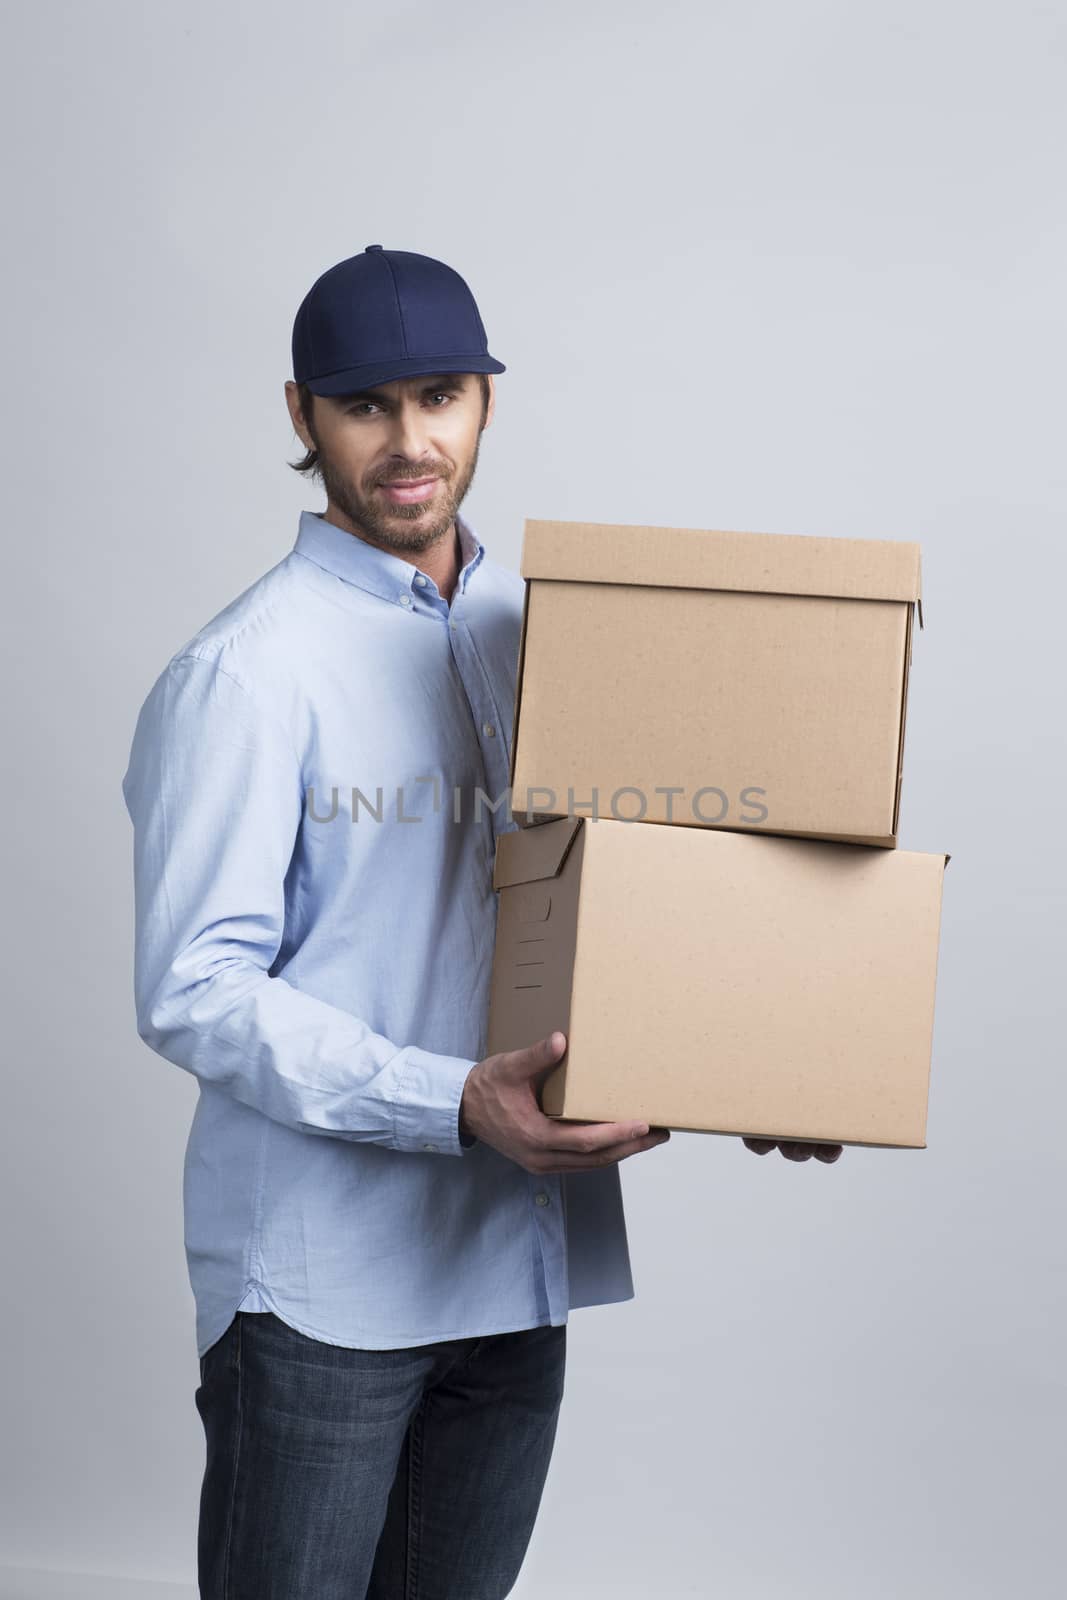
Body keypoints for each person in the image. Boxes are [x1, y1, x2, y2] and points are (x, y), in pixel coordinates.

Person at [121, 244, 841, 1599]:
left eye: (440, 396)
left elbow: (654, 892)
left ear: (486, 405)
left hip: (512, 1277)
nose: (409, 442)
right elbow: (195, 989)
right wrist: (460, 1103)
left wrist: (763, 1062)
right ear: (301, 417)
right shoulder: (243, 675)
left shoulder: (558, 633)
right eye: (366, 405)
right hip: (323, 1295)